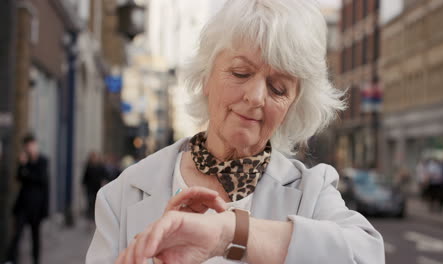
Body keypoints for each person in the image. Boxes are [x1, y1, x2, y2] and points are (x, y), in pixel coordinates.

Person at [86, 1, 384, 263]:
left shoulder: (312, 191)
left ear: (292, 105)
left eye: (278, 88)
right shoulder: (122, 196)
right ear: (206, 77)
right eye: (241, 73)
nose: (255, 96)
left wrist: (229, 232)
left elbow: (366, 255)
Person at [5, 134, 49, 264]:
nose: (29, 148)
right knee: (17, 233)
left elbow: (42, 181)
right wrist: (24, 165)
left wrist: (45, 210)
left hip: (37, 206)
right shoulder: (24, 161)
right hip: (23, 205)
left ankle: (36, 260)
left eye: (30, 145)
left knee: (35, 236)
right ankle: (11, 259)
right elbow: (19, 177)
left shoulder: (43, 161)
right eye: (26, 146)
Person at [82, 152, 108, 222]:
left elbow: (105, 176)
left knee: (96, 204)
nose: (94, 159)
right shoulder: (89, 166)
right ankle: (89, 219)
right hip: (90, 188)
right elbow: (85, 177)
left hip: (97, 188)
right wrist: (83, 185)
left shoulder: (101, 166)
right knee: (90, 203)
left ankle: (95, 219)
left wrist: (104, 182)